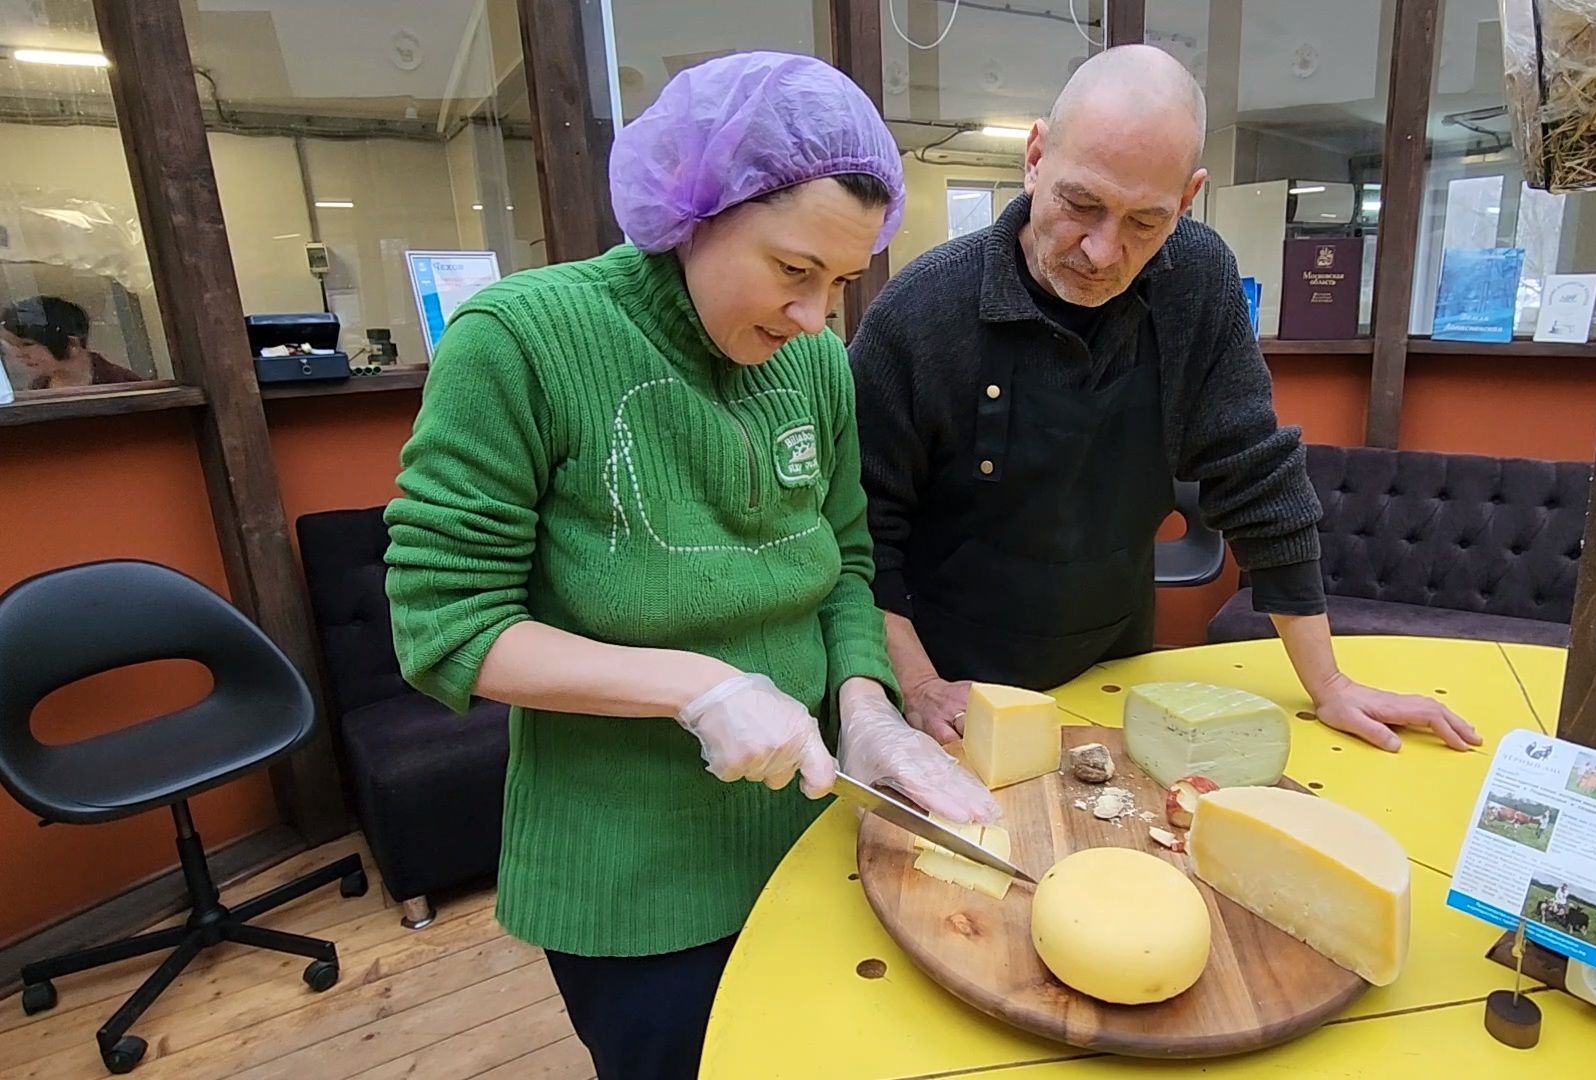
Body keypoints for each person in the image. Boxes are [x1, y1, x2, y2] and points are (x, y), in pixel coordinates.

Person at [383, 52, 998, 1080]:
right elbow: (446, 627)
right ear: (693, 209)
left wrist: (866, 705)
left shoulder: (812, 364)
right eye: (794, 271)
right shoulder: (518, 342)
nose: (815, 317)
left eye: (841, 283)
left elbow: (846, 563)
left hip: (809, 835)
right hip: (635, 883)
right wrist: (695, 687)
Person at [850, 45, 1480, 755]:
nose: (1101, 251)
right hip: (951, 689)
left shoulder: (1199, 281)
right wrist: (920, 687)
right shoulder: (921, 310)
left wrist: (1330, 684)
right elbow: (860, 534)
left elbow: (1257, 475)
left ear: (1186, 200)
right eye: (1080, 204)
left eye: (1144, 222)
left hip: (1116, 668)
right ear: (1035, 158)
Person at [0, 295, 143, 390]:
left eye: (27, 344)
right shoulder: (36, 390)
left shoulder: (122, 385)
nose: (19, 354)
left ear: (72, 344)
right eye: (13, 345)